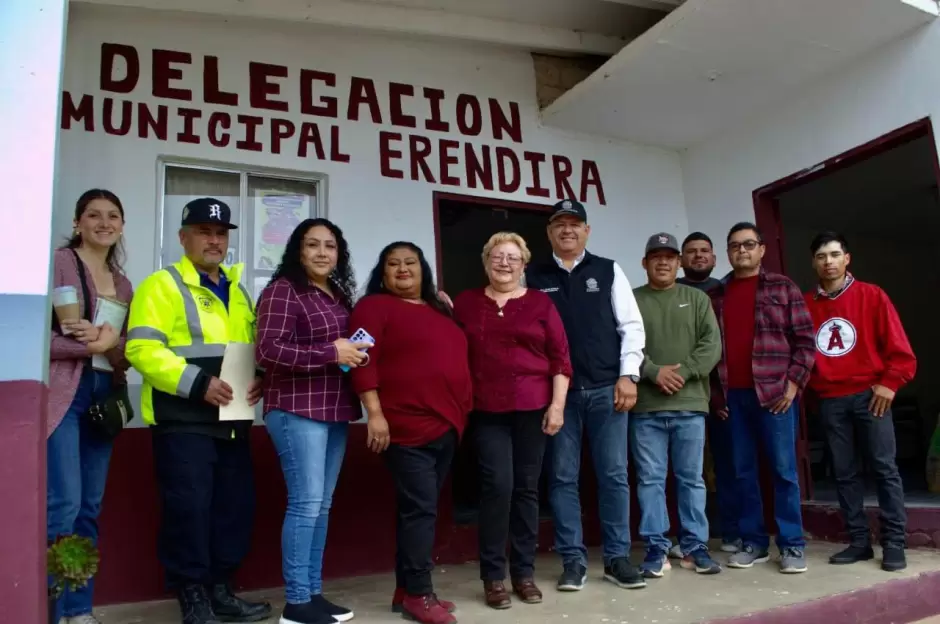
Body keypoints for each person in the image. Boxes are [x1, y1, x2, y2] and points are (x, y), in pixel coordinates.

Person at [126, 198, 271, 624]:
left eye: (221, 233)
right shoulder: (161, 285)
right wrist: (198, 383)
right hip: (183, 422)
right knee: (188, 511)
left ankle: (221, 592)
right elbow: (141, 348)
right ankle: (193, 599)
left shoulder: (239, 290)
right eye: (204, 232)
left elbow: (247, 348)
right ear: (183, 237)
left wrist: (259, 374)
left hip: (233, 422)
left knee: (232, 510)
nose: (214, 240)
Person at [525, 199, 647, 591]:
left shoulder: (608, 270)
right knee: (561, 478)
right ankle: (573, 562)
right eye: (559, 224)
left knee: (613, 476)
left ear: (587, 231)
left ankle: (616, 559)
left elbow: (631, 326)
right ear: (549, 233)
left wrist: (629, 375)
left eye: (575, 224)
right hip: (558, 396)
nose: (567, 230)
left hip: (606, 389)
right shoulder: (533, 274)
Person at [348, 242, 472, 624]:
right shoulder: (371, 307)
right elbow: (359, 360)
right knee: (421, 511)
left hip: (447, 426)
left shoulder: (442, 310)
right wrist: (375, 414)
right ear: (382, 273)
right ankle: (419, 594)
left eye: (410, 263)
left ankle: (406, 589)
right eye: (393, 264)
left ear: (424, 270)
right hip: (403, 427)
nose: (402, 269)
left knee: (417, 511)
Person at [256, 219, 370, 624]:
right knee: (305, 504)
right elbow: (268, 351)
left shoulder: (338, 294)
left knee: (321, 506)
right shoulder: (284, 290)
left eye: (330, 246)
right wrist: (330, 352)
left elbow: (345, 346)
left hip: (336, 408)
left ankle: (313, 594)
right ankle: (296, 602)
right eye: (313, 245)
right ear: (297, 251)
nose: (323, 253)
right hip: (295, 408)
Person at [452, 232, 571, 610]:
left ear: (523, 265)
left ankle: (523, 572)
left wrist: (557, 406)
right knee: (497, 487)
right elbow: (450, 349)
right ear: (486, 261)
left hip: (533, 408)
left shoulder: (540, 303)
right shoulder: (467, 303)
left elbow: (560, 358)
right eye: (497, 256)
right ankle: (493, 577)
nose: (504, 263)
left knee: (526, 489)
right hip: (487, 410)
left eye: (513, 258)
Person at [803, 231, 915, 573]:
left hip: (871, 395)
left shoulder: (872, 296)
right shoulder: (807, 304)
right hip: (831, 399)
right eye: (821, 256)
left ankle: (895, 542)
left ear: (847, 259)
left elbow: (900, 350)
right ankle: (859, 541)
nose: (828, 262)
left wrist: (890, 383)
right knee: (844, 473)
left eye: (835, 254)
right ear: (814, 263)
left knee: (884, 468)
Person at [708, 221, 815, 574]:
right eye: (735, 245)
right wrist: (716, 396)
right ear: (728, 252)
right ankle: (752, 542)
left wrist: (793, 386)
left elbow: (805, 342)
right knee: (742, 472)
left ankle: (792, 545)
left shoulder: (783, 287)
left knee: (784, 471)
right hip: (733, 397)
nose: (742, 250)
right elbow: (709, 349)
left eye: (749, 244)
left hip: (775, 396)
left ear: (762, 249)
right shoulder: (717, 294)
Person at [47, 189, 133, 624]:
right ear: (78, 222)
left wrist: (113, 343)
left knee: (89, 508)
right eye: (94, 215)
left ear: (121, 225)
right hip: (66, 393)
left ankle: (79, 610)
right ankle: (52, 609)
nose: (104, 223)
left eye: (113, 216)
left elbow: (124, 354)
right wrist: (86, 346)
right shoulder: (59, 263)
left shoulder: (123, 283)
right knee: (63, 505)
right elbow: (33, 340)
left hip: (105, 396)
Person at [631, 233, 722, 578]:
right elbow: (624, 342)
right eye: (656, 256)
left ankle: (694, 547)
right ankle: (656, 548)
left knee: (692, 479)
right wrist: (653, 372)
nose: (664, 262)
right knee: (650, 480)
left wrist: (681, 373)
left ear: (679, 262)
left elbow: (711, 345)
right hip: (646, 408)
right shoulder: (631, 299)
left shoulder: (697, 299)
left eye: (670, 256)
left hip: (690, 405)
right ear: (645, 263)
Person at [675, 230, 740, 557]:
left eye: (704, 251)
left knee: (728, 466)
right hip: (681, 394)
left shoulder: (725, 292)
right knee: (683, 469)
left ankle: (730, 531)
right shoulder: (671, 291)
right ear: (680, 260)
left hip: (723, 395)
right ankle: (682, 536)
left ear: (714, 258)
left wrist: (719, 394)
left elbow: (722, 348)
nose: (698, 256)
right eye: (691, 252)